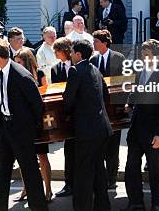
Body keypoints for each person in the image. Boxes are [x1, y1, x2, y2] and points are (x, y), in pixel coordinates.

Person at [0, 38, 47, 211]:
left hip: (21, 130)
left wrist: (29, 127)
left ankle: (39, 207)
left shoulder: (21, 74)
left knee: (30, 171)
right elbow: (0, 101)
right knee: (0, 170)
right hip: (6, 129)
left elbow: (37, 105)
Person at [122, 40, 159, 211]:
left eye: (147, 54)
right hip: (136, 129)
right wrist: (130, 103)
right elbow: (135, 92)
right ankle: (135, 201)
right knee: (131, 167)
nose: (144, 58)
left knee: (155, 169)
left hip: (153, 131)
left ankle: (157, 204)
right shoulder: (140, 72)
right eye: (142, 54)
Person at [63, 40, 112, 211]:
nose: (70, 55)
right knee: (99, 169)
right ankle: (103, 206)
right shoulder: (96, 70)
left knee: (83, 172)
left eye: (72, 52)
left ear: (78, 54)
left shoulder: (76, 70)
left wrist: (68, 115)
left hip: (86, 130)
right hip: (101, 128)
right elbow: (105, 95)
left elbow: (68, 99)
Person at [12, 48, 53, 203]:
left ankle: (48, 189)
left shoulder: (40, 74)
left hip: (38, 121)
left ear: (27, 61)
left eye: (19, 62)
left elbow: (46, 95)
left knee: (42, 156)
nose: (17, 65)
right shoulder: (15, 75)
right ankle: (26, 189)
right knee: (24, 159)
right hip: (23, 123)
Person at [89, 29, 125, 189]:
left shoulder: (118, 58)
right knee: (101, 145)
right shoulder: (93, 59)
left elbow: (123, 82)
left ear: (104, 42)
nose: (94, 44)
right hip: (98, 109)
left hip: (114, 108)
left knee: (113, 145)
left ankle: (112, 176)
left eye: (96, 41)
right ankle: (102, 176)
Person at [51, 37, 76, 198]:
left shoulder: (78, 66)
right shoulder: (55, 69)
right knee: (69, 153)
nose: (55, 54)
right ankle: (69, 184)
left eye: (57, 51)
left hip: (80, 116)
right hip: (66, 117)